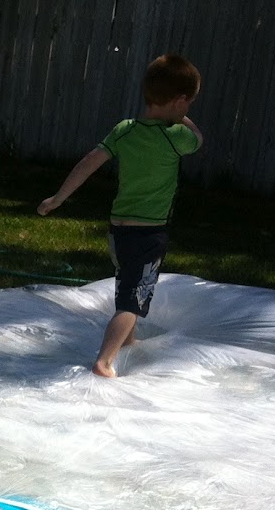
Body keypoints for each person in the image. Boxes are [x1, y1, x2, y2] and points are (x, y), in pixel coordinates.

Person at [38, 53, 204, 378]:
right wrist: (183, 119)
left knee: (125, 284)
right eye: (188, 104)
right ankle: (104, 361)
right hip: (149, 233)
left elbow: (89, 161)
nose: (188, 111)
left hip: (118, 231)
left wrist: (59, 197)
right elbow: (199, 139)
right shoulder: (175, 138)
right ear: (180, 101)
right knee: (133, 299)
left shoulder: (125, 130)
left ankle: (128, 342)